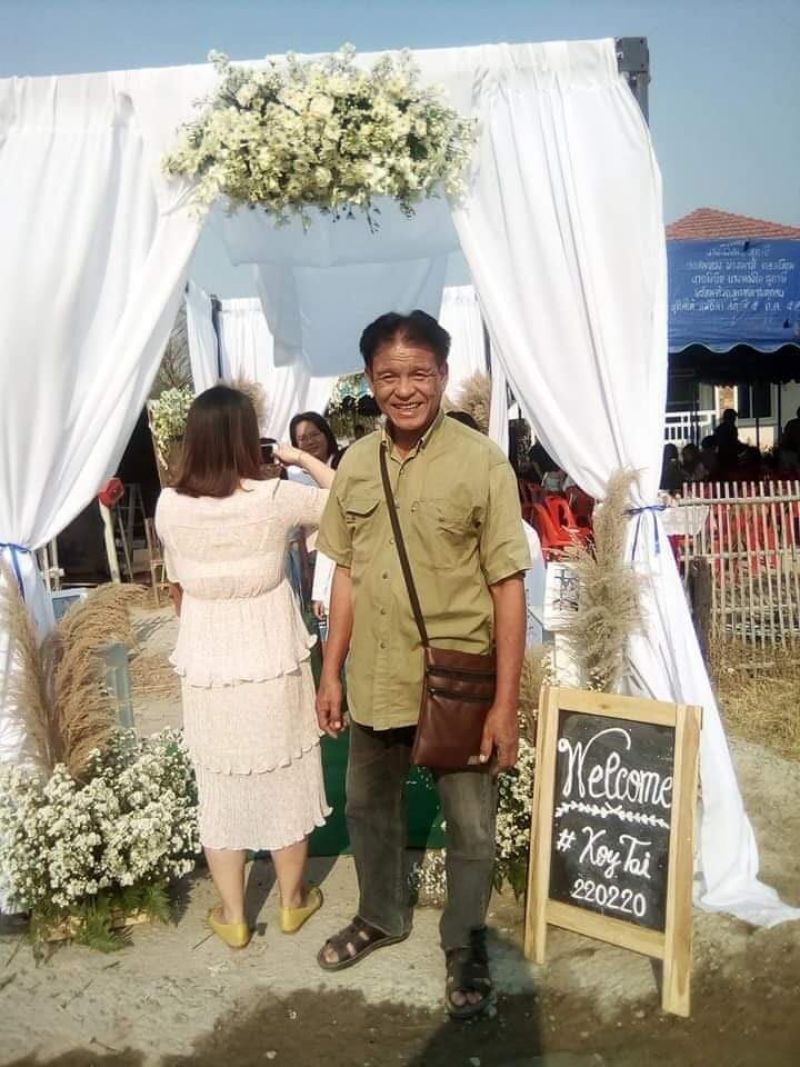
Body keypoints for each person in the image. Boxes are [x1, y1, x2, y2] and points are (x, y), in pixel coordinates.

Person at [314, 310, 530, 1019]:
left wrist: (505, 704)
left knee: (471, 824)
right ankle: (380, 914)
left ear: (441, 374)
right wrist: (330, 670)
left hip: (456, 682)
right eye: (388, 375)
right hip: (374, 675)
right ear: (369, 380)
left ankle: (464, 939)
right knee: (367, 806)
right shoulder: (354, 464)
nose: (403, 389)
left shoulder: (482, 463)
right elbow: (345, 573)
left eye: (418, 373)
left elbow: (508, 586)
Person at [155, 386, 335, 949]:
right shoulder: (274, 497)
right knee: (286, 779)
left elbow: (176, 584)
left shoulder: (168, 505)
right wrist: (299, 456)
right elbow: (347, 496)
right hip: (270, 653)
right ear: (245, 436)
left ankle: (233, 915)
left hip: (209, 660)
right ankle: (291, 902)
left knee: (220, 786)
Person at [713, 408, 743, 474]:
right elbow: (730, 442)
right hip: (726, 457)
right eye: (733, 418)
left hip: (728, 457)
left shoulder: (725, 428)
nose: (734, 420)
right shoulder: (723, 429)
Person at [779, 406, 800, 470]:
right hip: (792, 452)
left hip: (790, 452)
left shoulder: (791, 423)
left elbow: (785, 438)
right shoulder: (792, 424)